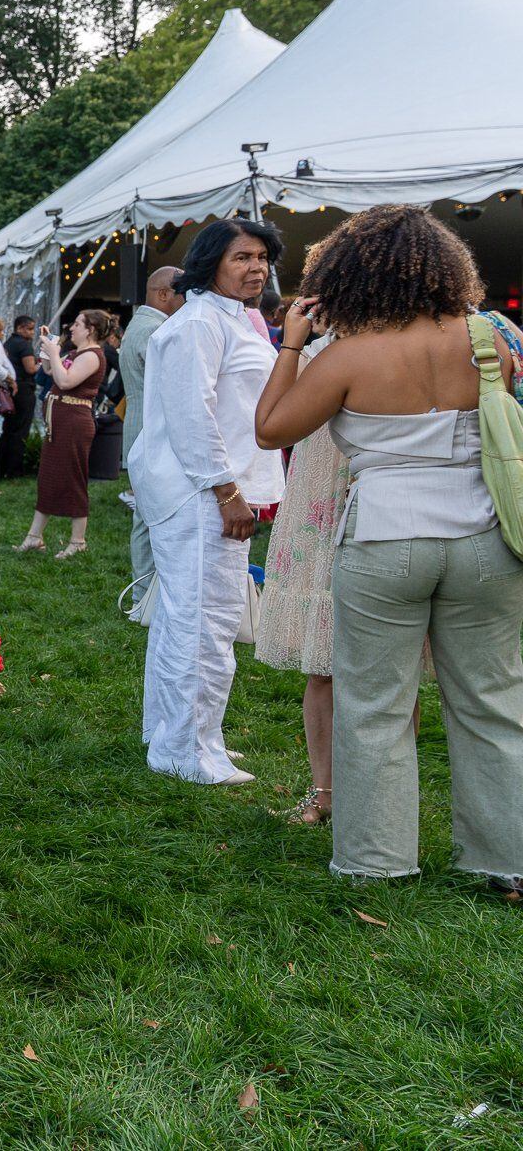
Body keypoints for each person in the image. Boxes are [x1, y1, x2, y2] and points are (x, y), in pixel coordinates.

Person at [255, 205, 523, 893]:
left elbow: (270, 428)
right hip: (486, 537)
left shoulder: (347, 355)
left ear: (350, 274)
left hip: (384, 538)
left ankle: (376, 862)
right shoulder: (486, 338)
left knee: (372, 705)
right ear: (444, 267)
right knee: (492, 702)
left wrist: (291, 343)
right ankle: (506, 860)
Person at [129, 219, 286, 786]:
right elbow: (193, 415)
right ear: (211, 262)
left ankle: (177, 734)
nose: (256, 267)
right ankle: (188, 751)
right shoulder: (197, 323)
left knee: (184, 617)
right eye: (242, 256)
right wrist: (228, 491)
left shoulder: (233, 318)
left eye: (263, 257)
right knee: (205, 621)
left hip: (210, 489)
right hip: (202, 492)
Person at [254, 331, 346, 827]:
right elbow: (271, 424)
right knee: (321, 662)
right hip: (318, 507)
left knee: (393, 671)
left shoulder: (399, 341)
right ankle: (325, 792)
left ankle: (382, 795)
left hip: (374, 507)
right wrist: (291, 345)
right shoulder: (315, 349)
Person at [16, 310, 110, 558]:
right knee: (48, 477)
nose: (72, 328)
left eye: (78, 324)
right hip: (59, 422)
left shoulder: (92, 356)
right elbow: (49, 371)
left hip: (75, 424)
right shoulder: (75, 353)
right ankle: (34, 536)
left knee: (73, 478)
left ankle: (78, 540)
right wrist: (49, 347)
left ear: (90, 329)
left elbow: (66, 381)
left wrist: (56, 354)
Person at [120, 267, 183, 604]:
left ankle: (148, 592)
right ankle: (143, 595)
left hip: (141, 430)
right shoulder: (155, 330)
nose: (186, 300)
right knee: (148, 519)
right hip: (151, 436)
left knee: (148, 516)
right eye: (181, 293)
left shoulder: (140, 325)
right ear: (163, 294)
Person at [0, 316, 40, 477]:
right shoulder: (24, 345)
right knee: (20, 430)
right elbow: (30, 369)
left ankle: (0, 468)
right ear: (20, 328)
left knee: (9, 429)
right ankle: (14, 469)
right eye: (30, 329)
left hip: (11, 390)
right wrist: (41, 363)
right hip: (23, 390)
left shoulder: (9, 343)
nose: (32, 333)